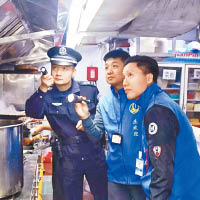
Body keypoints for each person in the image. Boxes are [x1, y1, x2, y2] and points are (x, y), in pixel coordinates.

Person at [25, 46, 108, 200]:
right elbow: (32, 112)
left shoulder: (88, 91)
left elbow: (101, 119)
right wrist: (42, 88)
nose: (58, 73)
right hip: (66, 157)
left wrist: (88, 122)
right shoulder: (47, 95)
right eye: (55, 68)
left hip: (93, 152)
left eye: (64, 69)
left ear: (73, 71)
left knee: (103, 195)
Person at [122, 55, 200, 200]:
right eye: (124, 76)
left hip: (178, 194)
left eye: (130, 75)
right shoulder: (155, 103)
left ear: (149, 78)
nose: (124, 82)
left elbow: (162, 170)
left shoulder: (158, 111)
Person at [75, 49, 146, 200]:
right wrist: (86, 117)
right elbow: (96, 135)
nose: (109, 71)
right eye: (106, 67)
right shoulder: (104, 102)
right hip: (115, 175)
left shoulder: (142, 99)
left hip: (141, 176)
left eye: (115, 66)